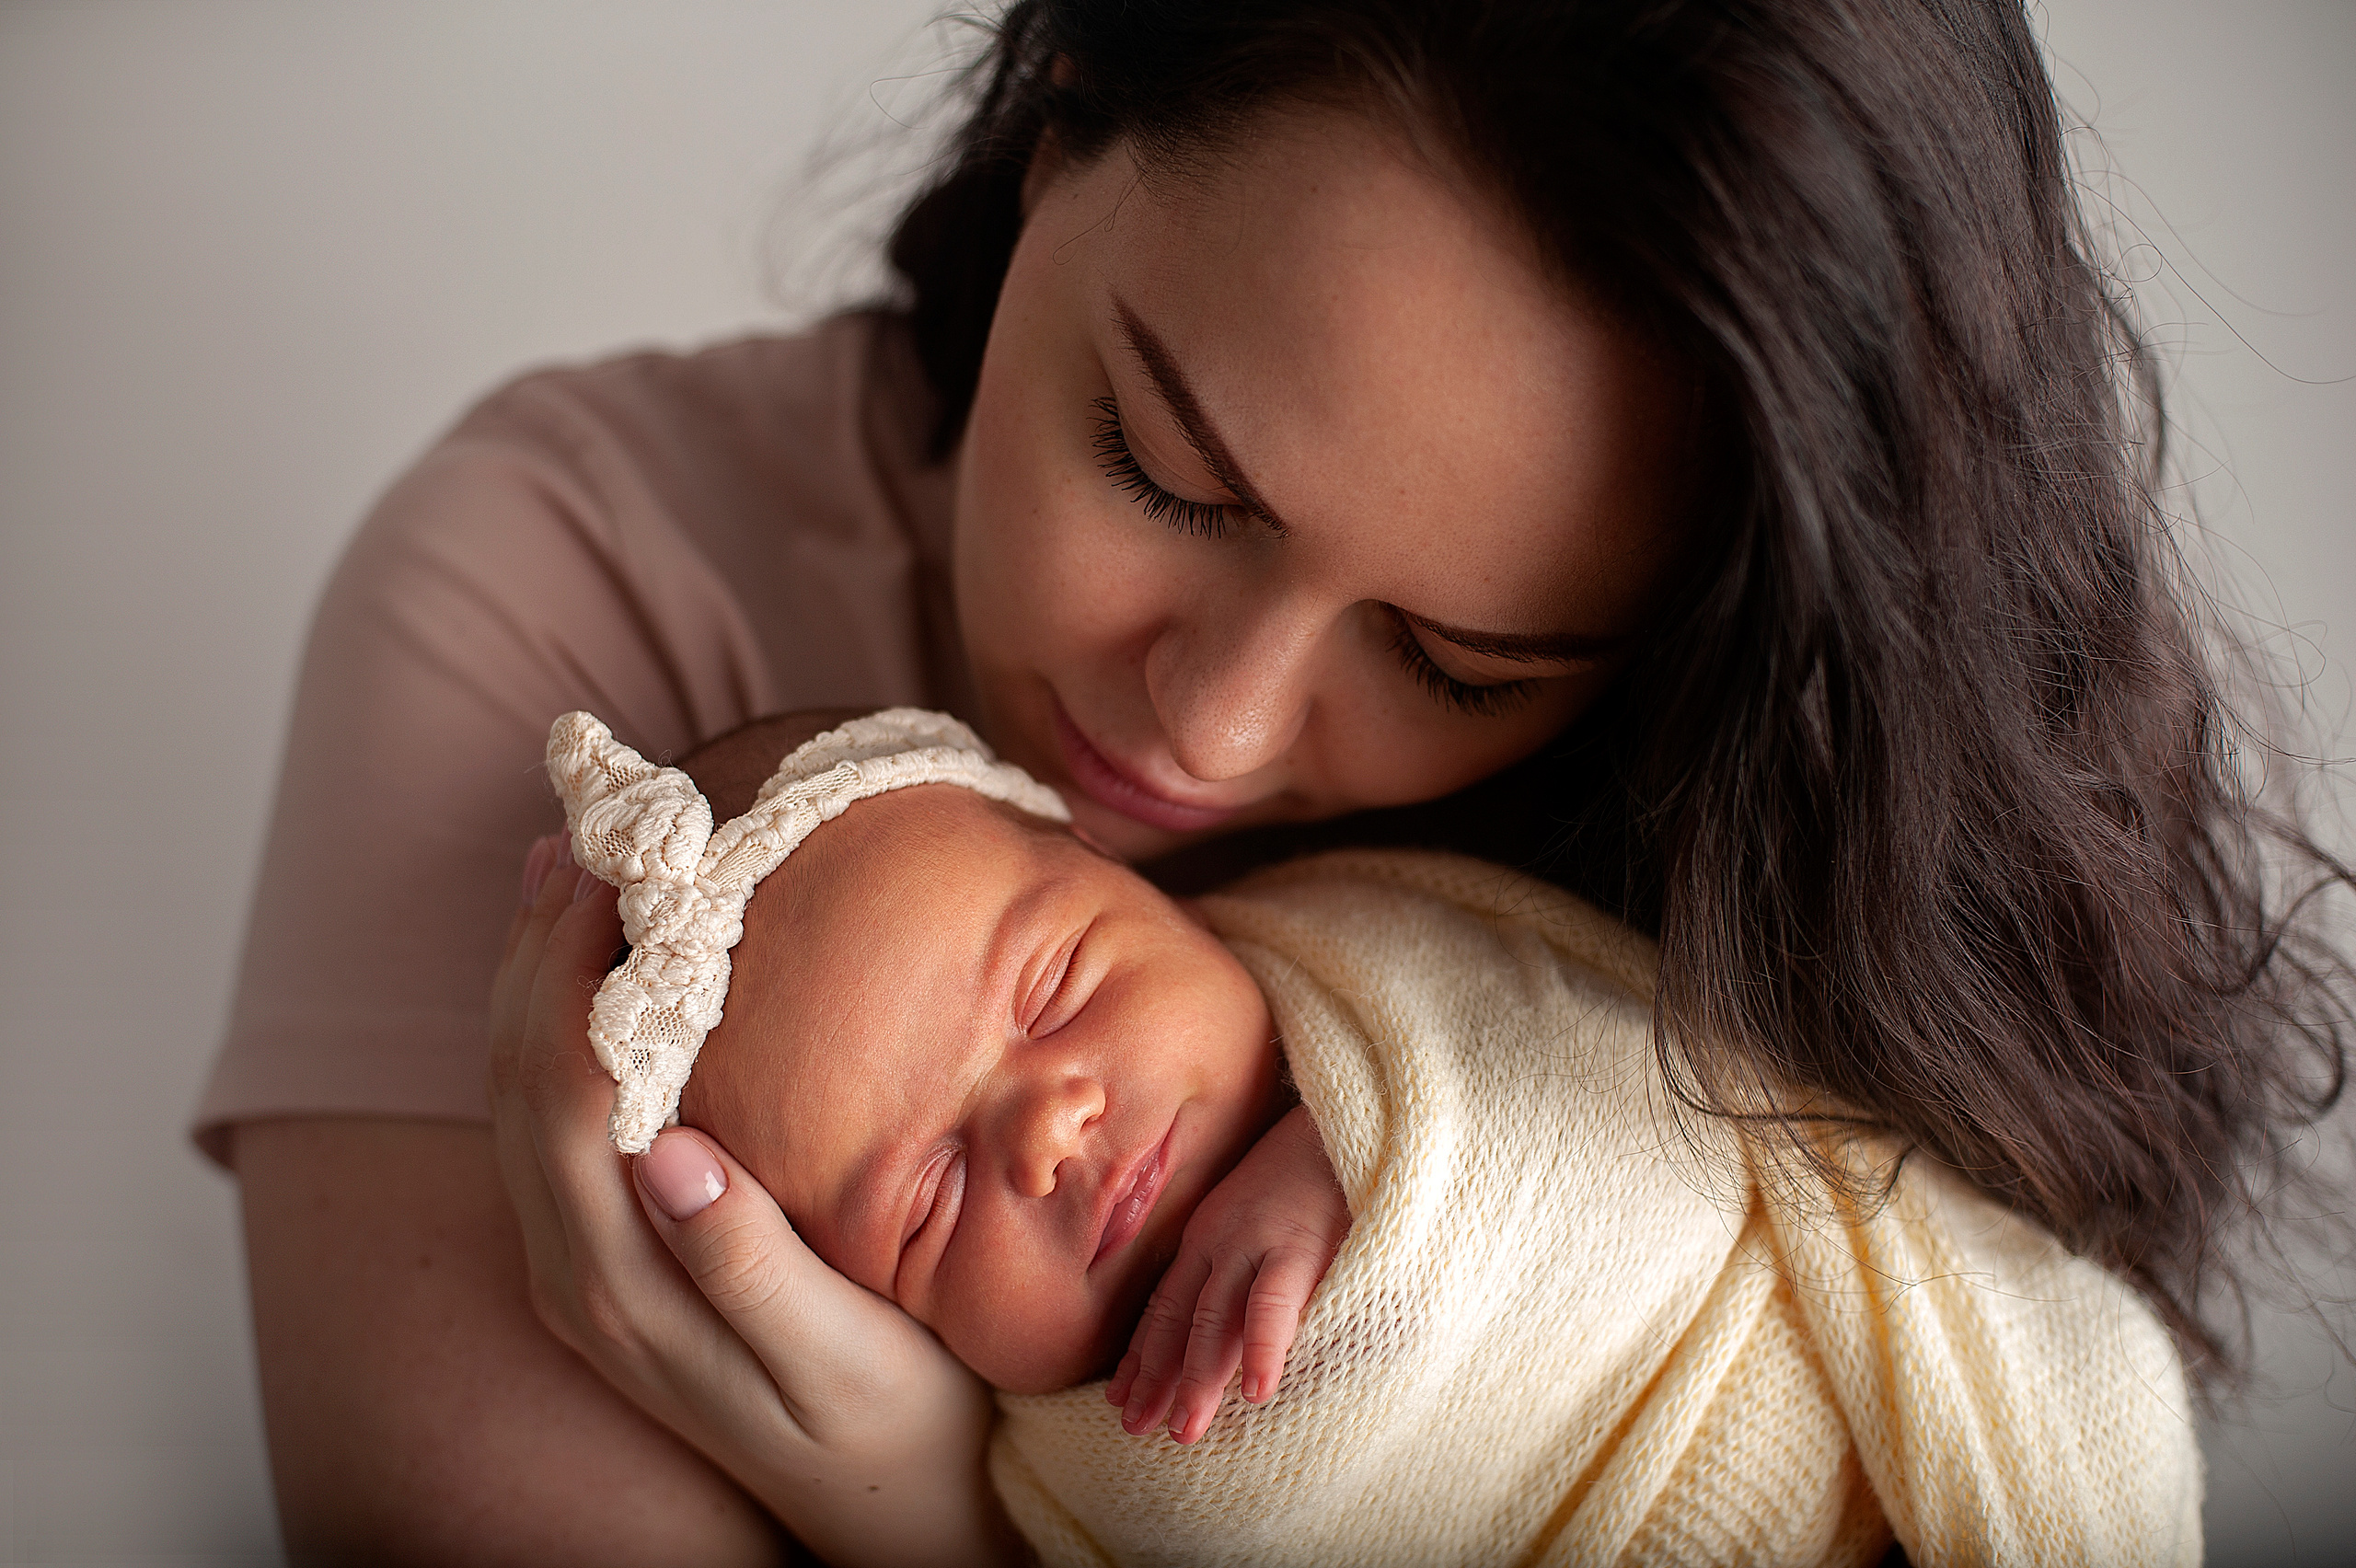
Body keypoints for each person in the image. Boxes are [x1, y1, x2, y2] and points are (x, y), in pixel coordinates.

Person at [203, 2, 2350, 1563]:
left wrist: (932, 1524)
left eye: (1454, 659)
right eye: (1162, 465)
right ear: (1062, 112)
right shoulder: (580, 587)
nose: (1208, 737)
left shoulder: (1736, 799)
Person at [535, 705, 2192, 1567]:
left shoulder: (1367, 959)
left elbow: (1634, 1094)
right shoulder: (1054, 1491)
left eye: (1054, 989)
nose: (1048, 1134)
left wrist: (1362, 1158)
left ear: (1134, 881)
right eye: (929, 1200)